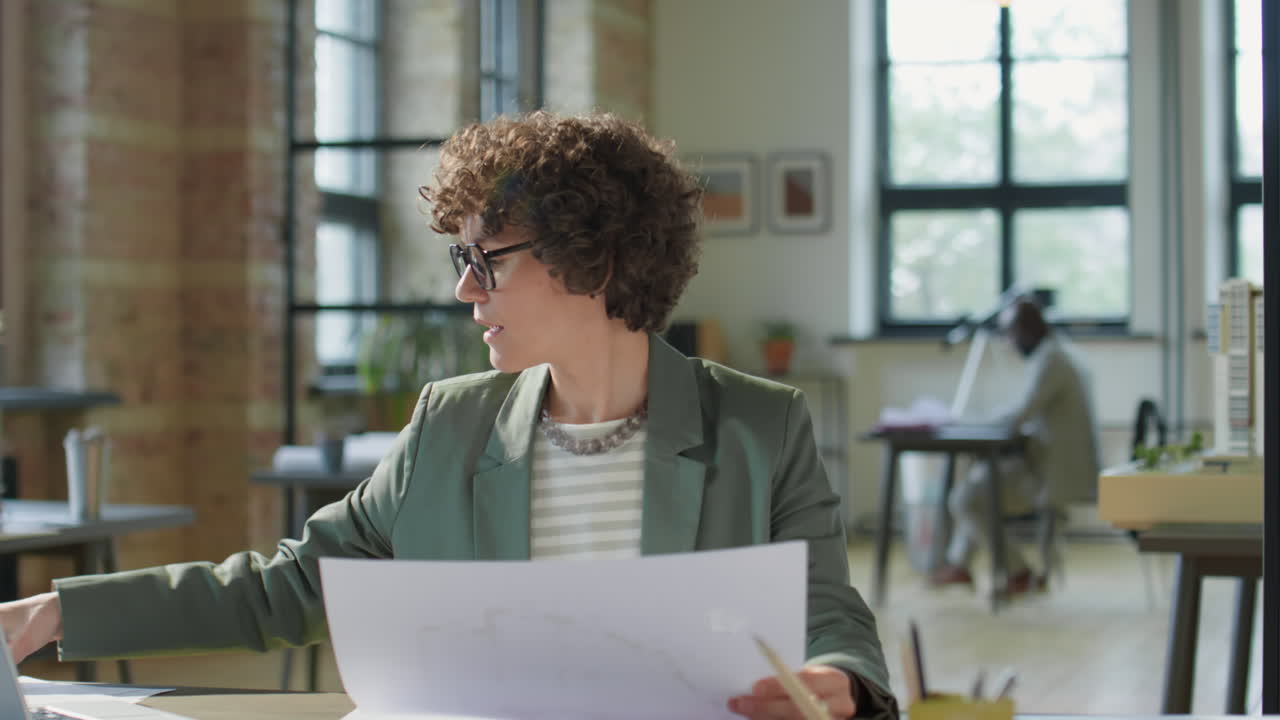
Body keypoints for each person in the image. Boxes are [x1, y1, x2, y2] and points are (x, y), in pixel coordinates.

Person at [0, 111, 898, 719]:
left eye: (487, 258)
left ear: (596, 257)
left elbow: (830, 617)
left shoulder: (758, 427)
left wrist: (838, 682)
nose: (465, 289)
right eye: (459, 258)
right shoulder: (449, 426)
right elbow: (291, 586)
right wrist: (53, 613)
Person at [931, 298, 1101, 594]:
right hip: (1047, 462)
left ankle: (1016, 570)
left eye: (1009, 334)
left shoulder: (1052, 360)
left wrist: (971, 423)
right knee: (979, 482)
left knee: (966, 499)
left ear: (1024, 331)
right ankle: (960, 565)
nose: (1008, 343)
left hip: (1051, 474)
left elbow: (1021, 412)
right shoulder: (1056, 353)